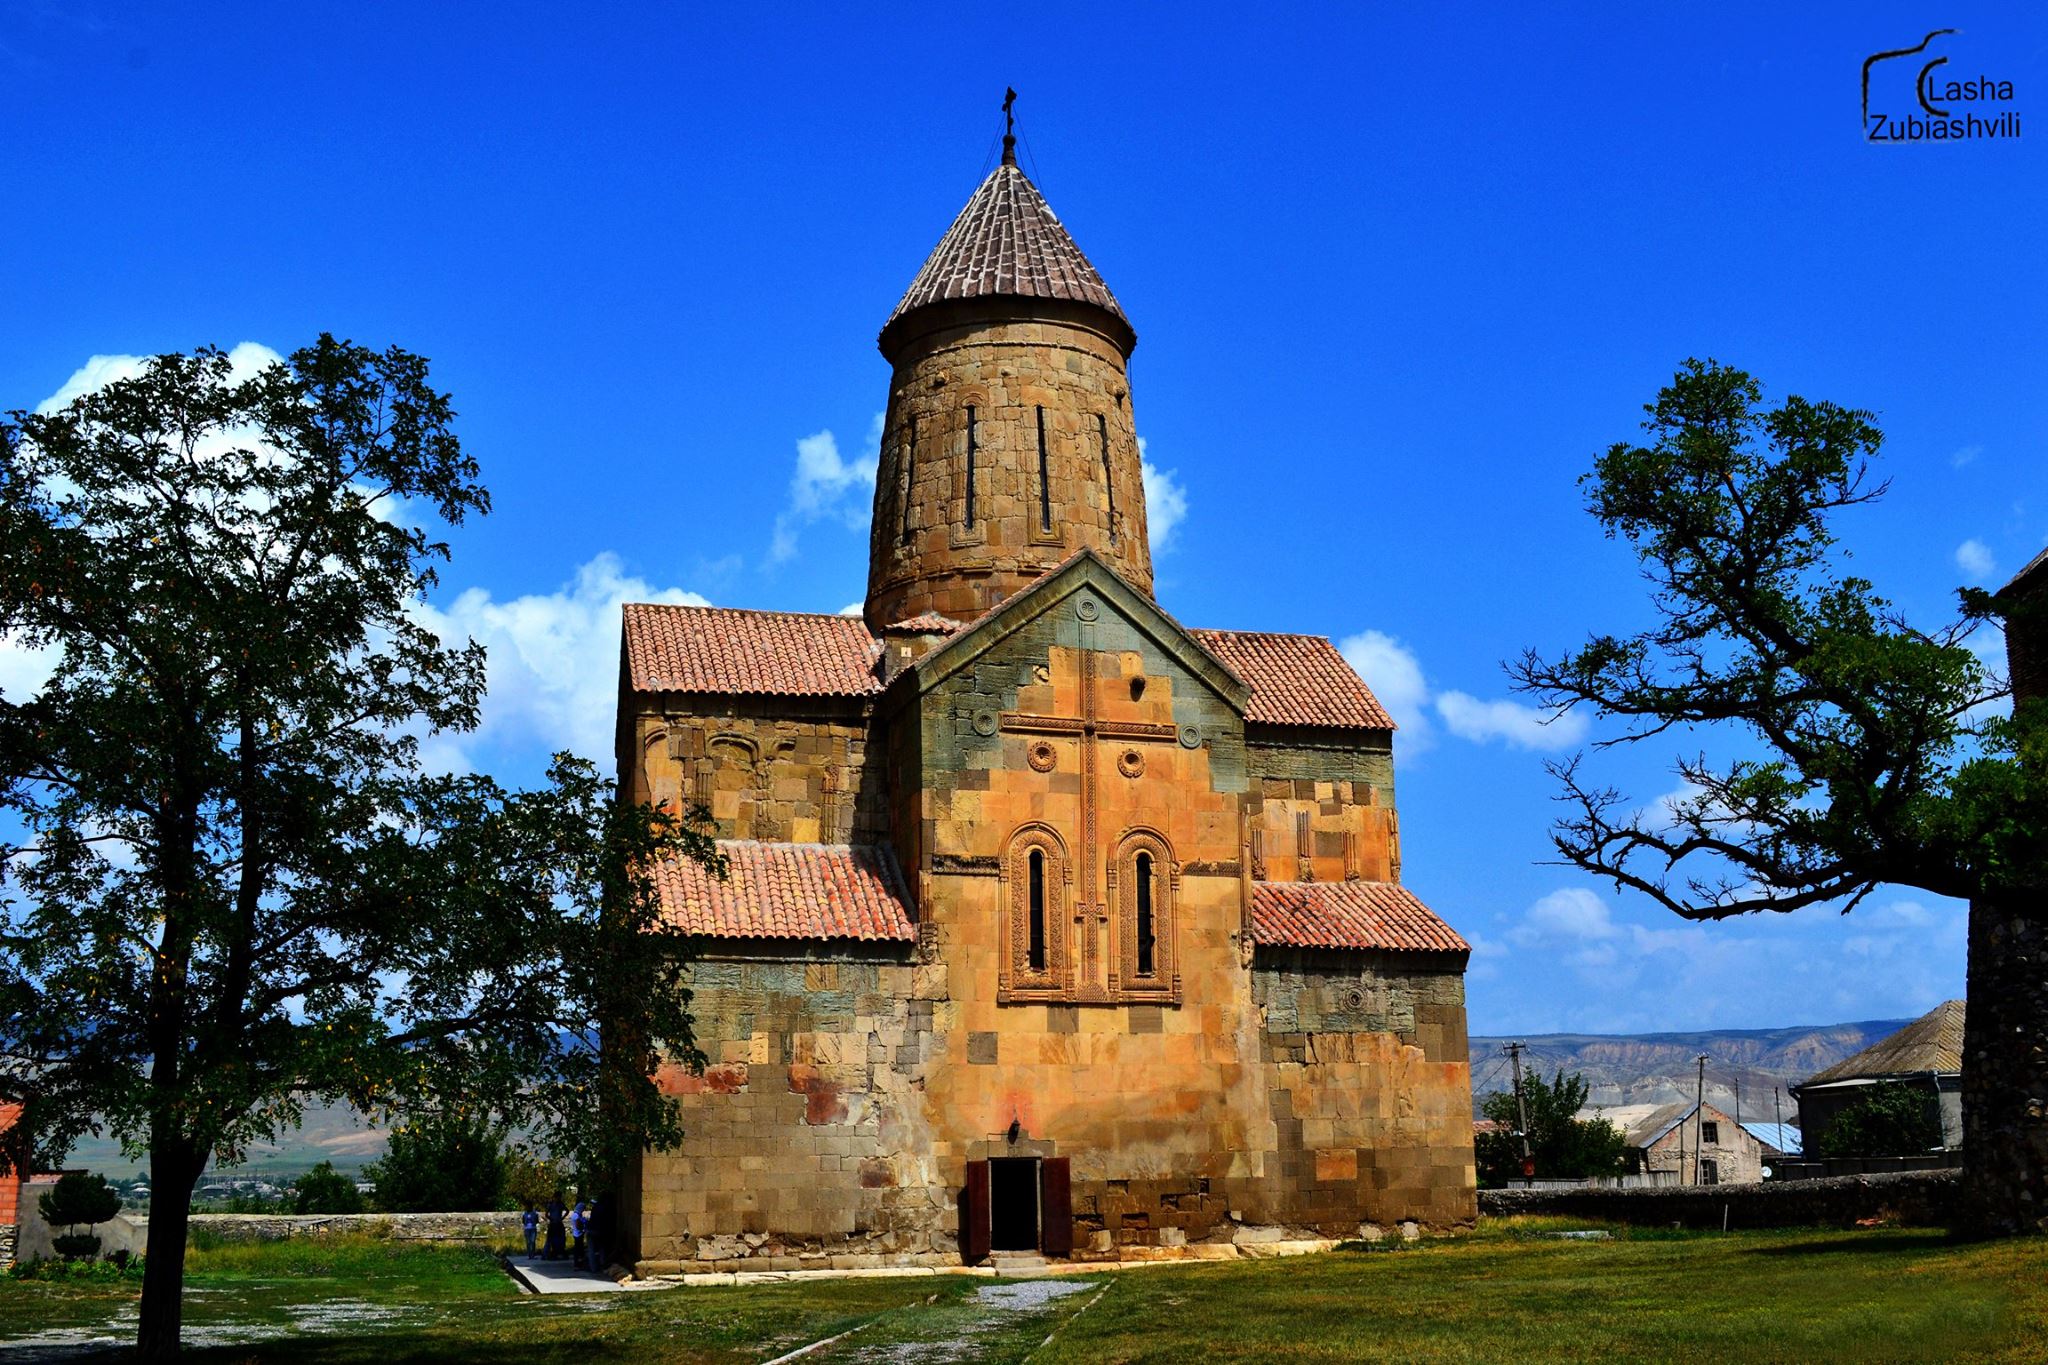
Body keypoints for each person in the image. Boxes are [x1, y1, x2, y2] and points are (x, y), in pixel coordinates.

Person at [544, 1195, 567, 1260]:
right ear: (554, 1198)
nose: (558, 1198)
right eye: (557, 1197)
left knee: (561, 1239)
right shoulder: (551, 1204)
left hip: (559, 1223)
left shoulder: (561, 1204)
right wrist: (551, 1219)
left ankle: (559, 1253)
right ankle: (551, 1254)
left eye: (559, 1197)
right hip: (553, 1224)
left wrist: (562, 1218)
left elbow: (567, 1210)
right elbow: (546, 1214)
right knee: (551, 1239)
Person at [570, 1197, 589, 1269]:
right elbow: (578, 1225)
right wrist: (583, 1229)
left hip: (576, 1233)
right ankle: (578, 1264)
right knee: (579, 1250)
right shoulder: (577, 1216)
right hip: (578, 1234)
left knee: (578, 1249)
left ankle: (578, 1263)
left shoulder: (575, 1214)